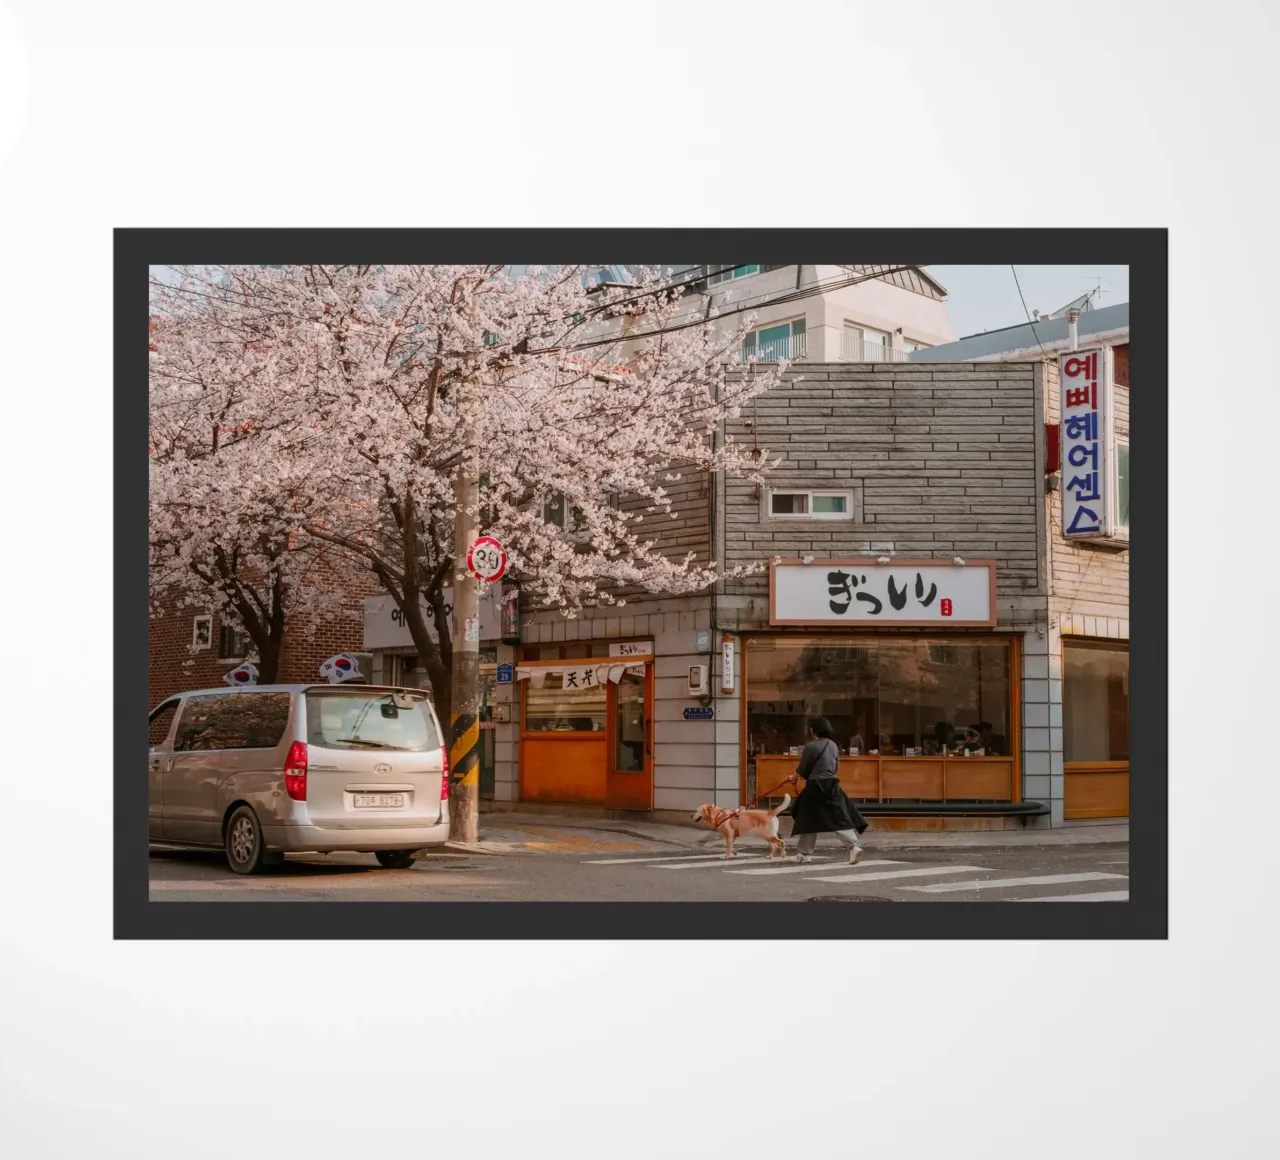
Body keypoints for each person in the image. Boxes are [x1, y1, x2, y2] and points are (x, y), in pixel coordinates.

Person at [785, 716, 869, 865]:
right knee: (838, 816)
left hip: (815, 785)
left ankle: (805, 853)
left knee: (807, 817)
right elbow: (836, 767)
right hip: (832, 785)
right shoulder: (833, 746)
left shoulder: (811, 746)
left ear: (813, 730)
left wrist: (793, 777)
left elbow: (802, 768)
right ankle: (853, 847)